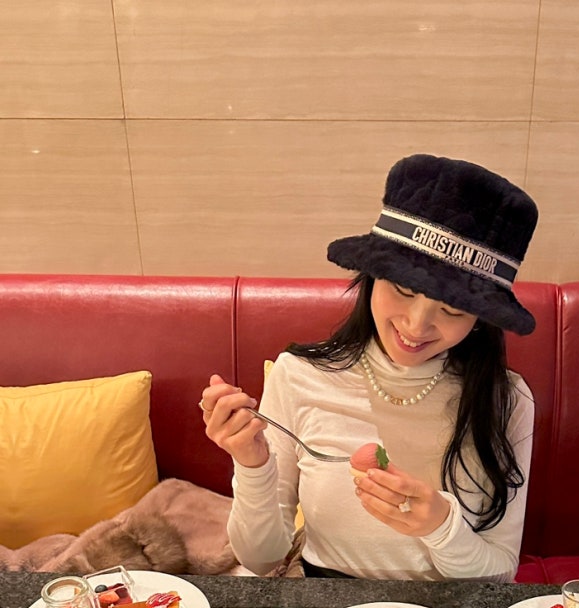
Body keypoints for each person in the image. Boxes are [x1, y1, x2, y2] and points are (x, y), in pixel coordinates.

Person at [200, 153, 538, 580]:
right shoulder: (299, 375)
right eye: (403, 289)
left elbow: (500, 576)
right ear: (372, 277)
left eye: (453, 310)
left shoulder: (506, 399)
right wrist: (252, 463)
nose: (416, 326)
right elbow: (261, 559)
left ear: (480, 319)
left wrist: (441, 528)